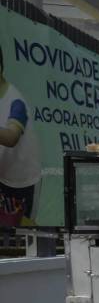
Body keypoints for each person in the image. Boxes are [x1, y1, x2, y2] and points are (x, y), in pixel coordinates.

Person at [0, 47, 38, 227]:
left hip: (20, 183)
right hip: (3, 175)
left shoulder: (16, 101)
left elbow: (11, 137)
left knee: (18, 232)